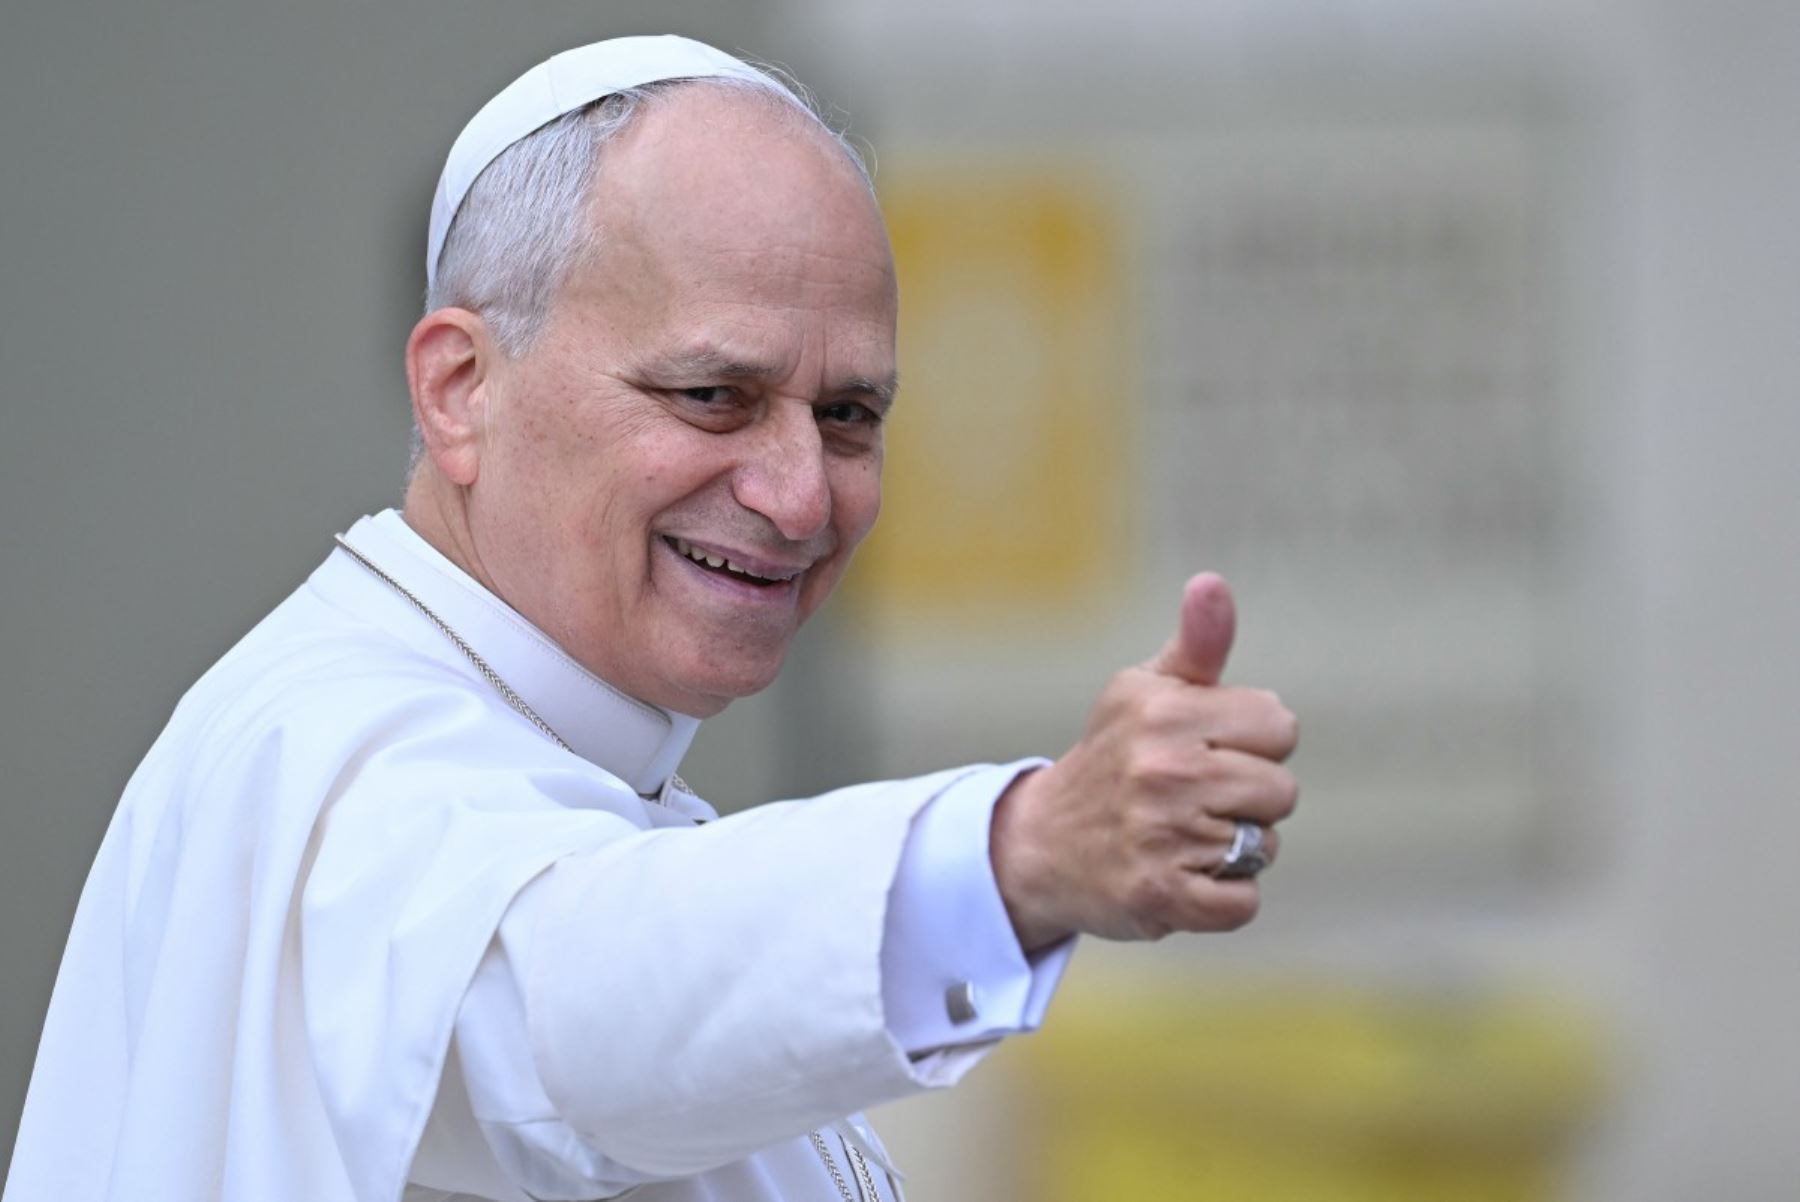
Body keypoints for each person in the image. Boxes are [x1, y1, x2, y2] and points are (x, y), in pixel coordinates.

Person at [4, 34, 1298, 1202]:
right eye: (712, 395)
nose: (798, 497)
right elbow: (574, 1007)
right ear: (462, 388)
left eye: (849, 414)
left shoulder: (576, 762)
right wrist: (1018, 855)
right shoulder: (319, 764)